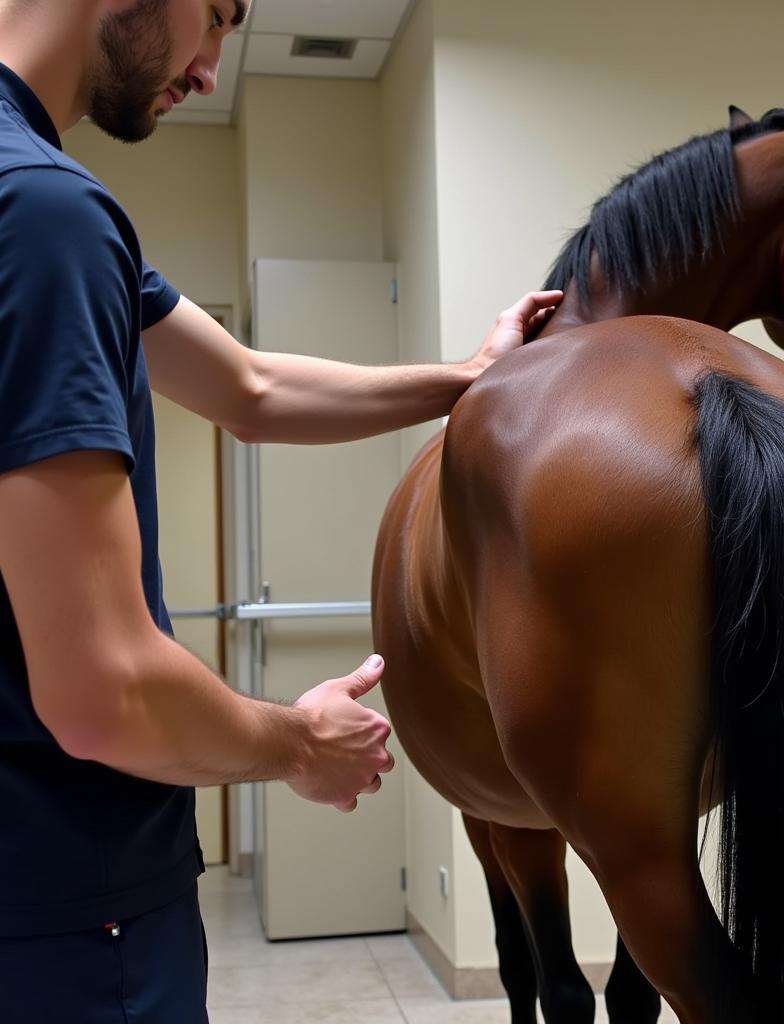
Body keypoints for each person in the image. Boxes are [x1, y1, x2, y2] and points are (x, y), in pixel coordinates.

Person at [0, 1, 563, 1019]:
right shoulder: (46, 215)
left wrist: (470, 377)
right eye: (214, 16)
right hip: (69, 917)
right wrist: (298, 745)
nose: (211, 67)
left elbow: (250, 390)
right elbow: (97, 691)